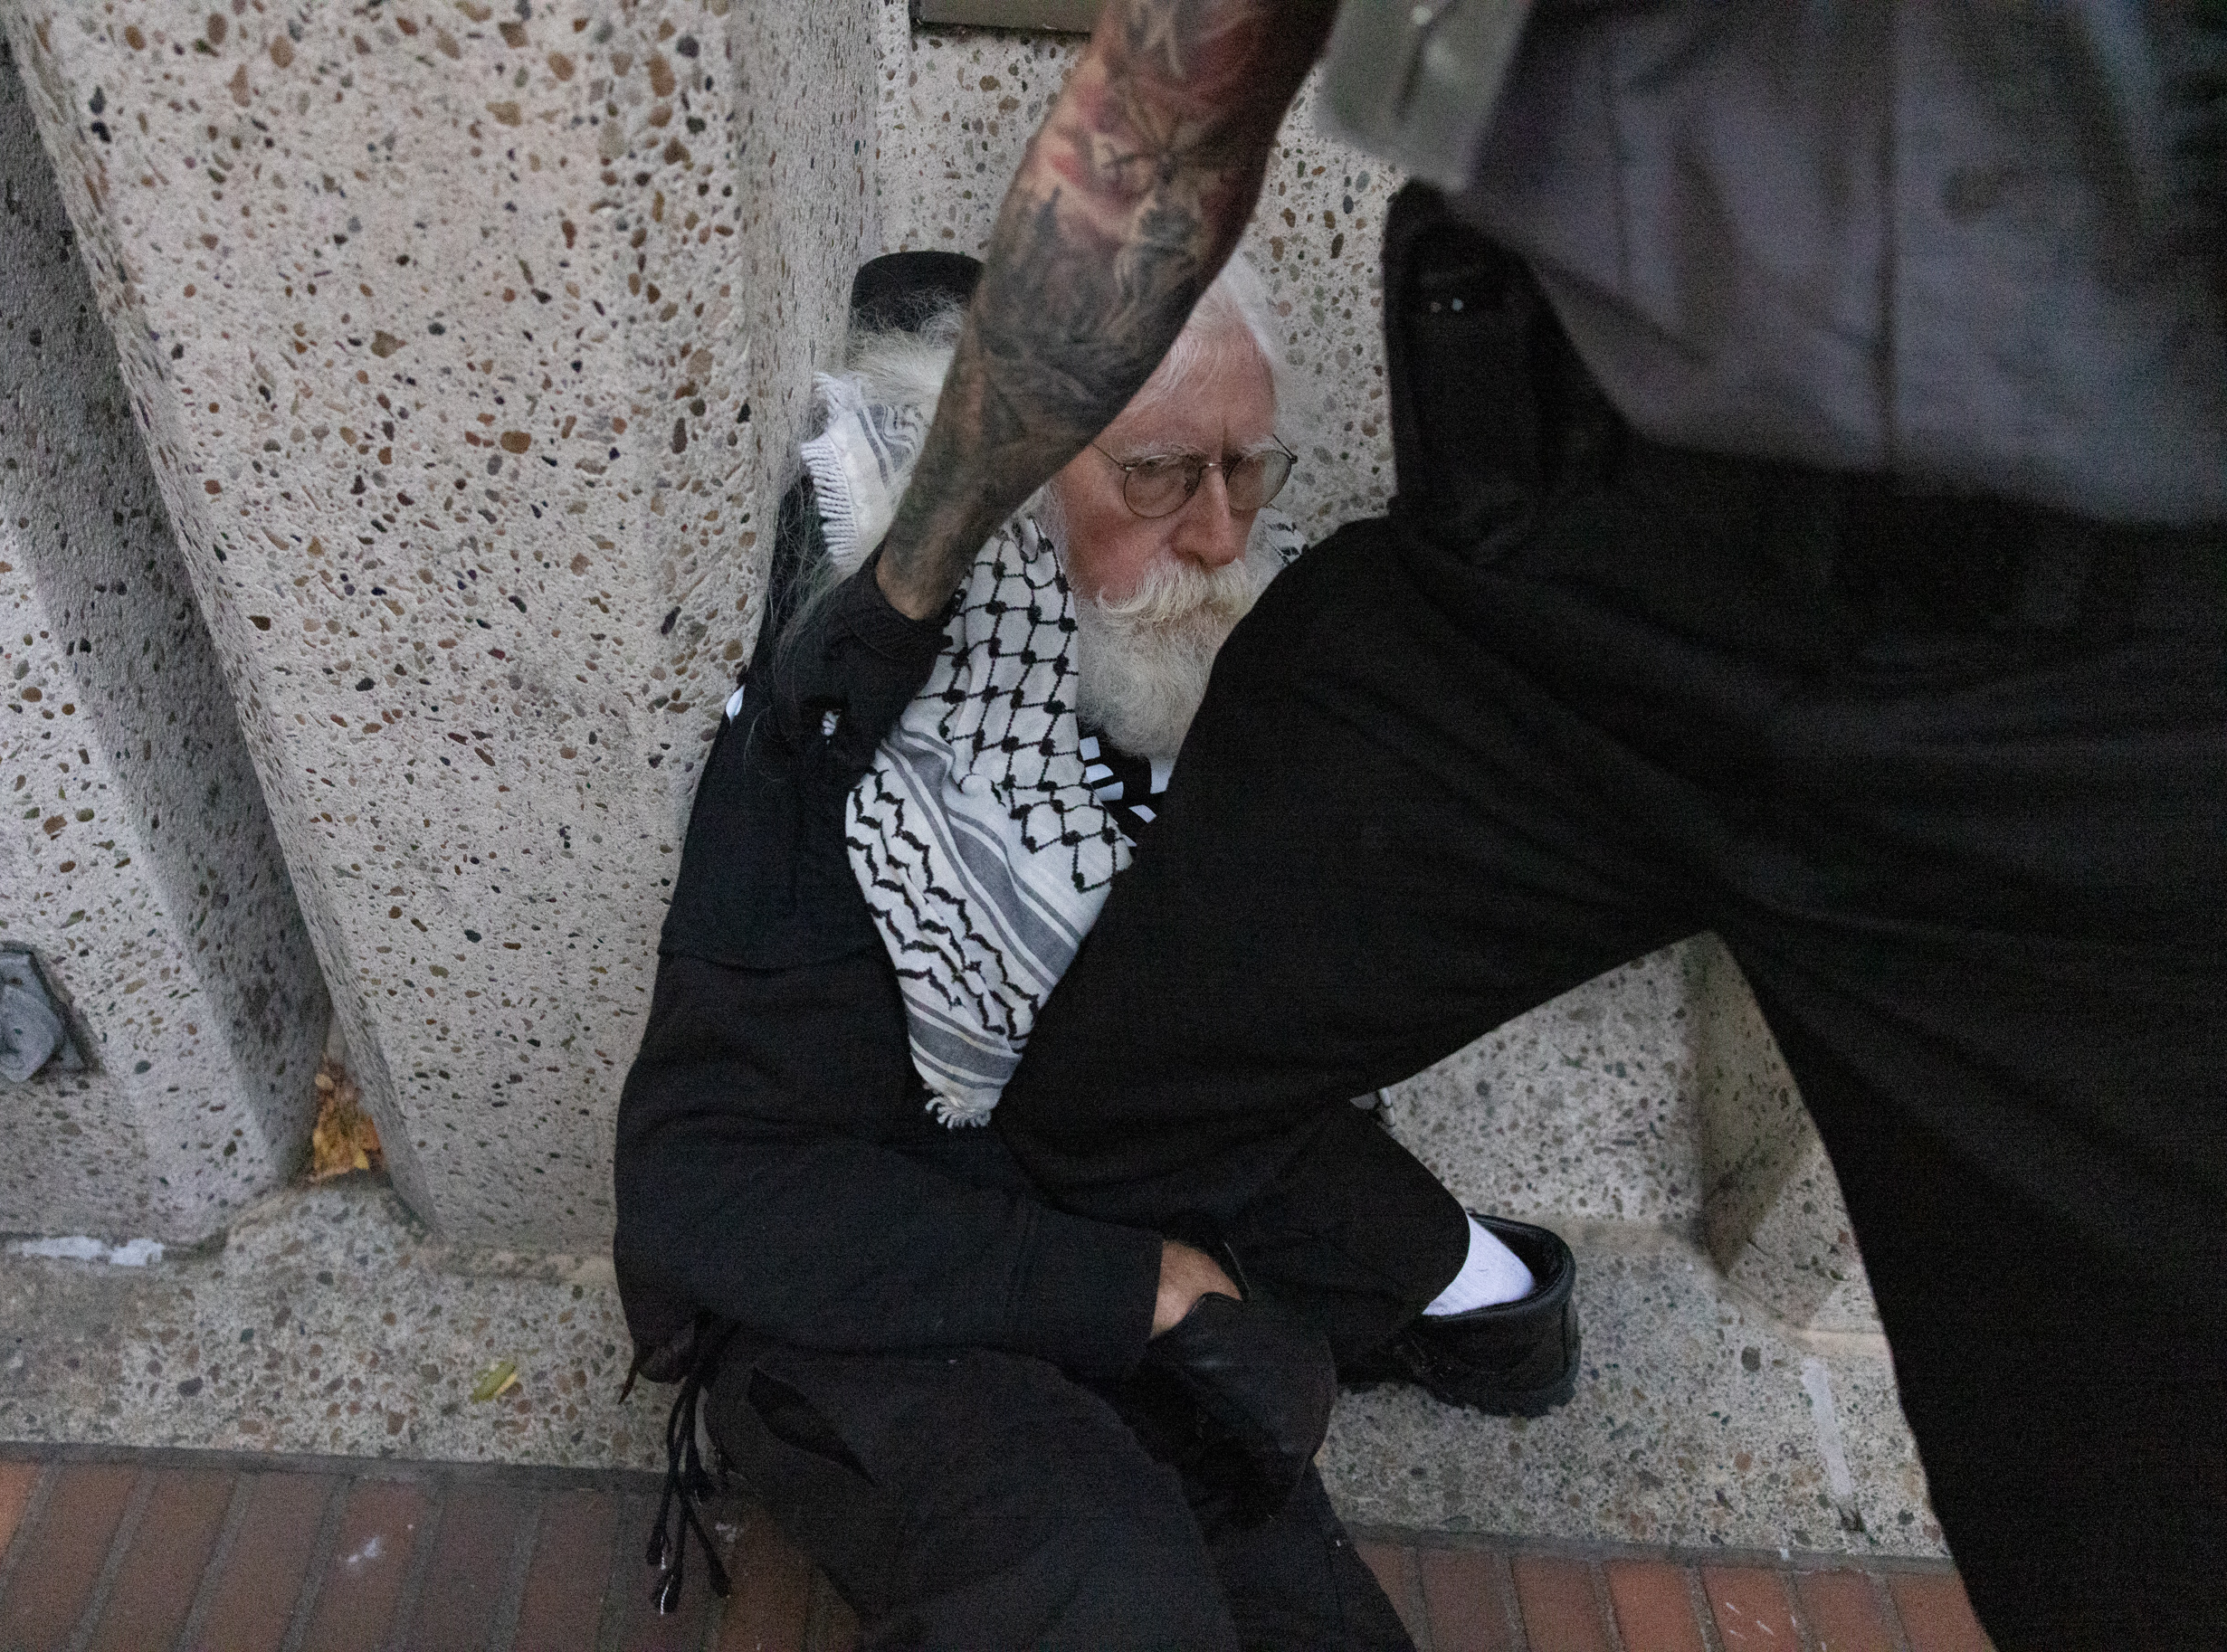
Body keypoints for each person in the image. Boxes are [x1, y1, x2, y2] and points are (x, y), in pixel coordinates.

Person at [865, 6, 2227, 1650]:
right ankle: (1277, 1430)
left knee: (2144, 1553)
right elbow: (1168, 99)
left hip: (2098, 709)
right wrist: (898, 587)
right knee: (1097, 1099)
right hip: (1559, 572)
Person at [612, 251, 1576, 1648]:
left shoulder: (1186, 680)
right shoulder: (839, 752)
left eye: (1247, 470)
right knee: (1097, 1585)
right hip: (868, 1306)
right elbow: (703, 1186)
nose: (1219, 534)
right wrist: (1137, 1288)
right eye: (1159, 474)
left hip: (1115, 1263)